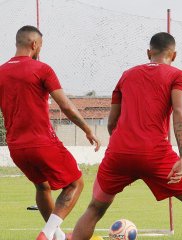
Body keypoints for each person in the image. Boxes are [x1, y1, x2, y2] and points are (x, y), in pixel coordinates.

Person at [71, 32, 182, 240]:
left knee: (95, 208)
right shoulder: (177, 76)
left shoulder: (127, 75)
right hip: (155, 154)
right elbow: (178, 112)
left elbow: (112, 122)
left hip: (119, 153)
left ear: (149, 52)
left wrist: (124, 149)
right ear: (173, 55)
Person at [0, 25, 101, 240]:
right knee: (75, 183)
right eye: (40, 46)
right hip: (42, 142)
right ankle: (46, 234)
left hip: (16, 147)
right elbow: (65, 105)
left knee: (42, 186)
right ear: (34, 45)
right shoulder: (42, 69)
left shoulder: (1, 72)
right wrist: (86, 129)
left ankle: (58, 236)